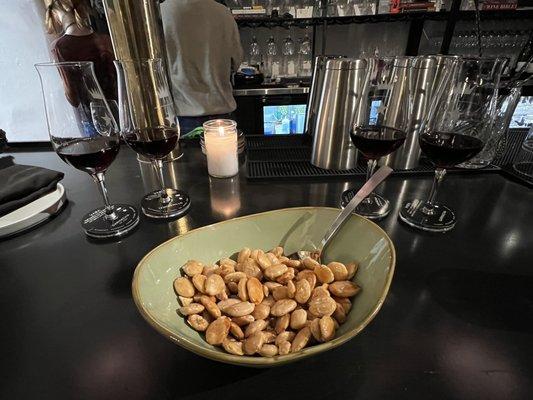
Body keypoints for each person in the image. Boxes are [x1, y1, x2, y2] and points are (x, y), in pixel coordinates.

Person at [161, 0, 243, 134]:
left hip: (179, 116)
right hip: (222, 116)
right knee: (228, 156)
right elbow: (236, 61)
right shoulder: (223, 13)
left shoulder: (160, 13)